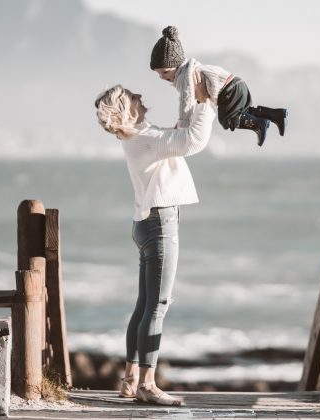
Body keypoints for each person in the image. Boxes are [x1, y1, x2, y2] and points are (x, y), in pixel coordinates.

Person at [94, 81, 215, 406]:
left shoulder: (139, 138)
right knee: (157, 305)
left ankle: (131, 377)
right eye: (133, 96)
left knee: (144, 304)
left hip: (144, 223)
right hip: (160, 224)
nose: (140, 96)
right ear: (127, 108)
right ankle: (148, 383)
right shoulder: (147, 140)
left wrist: (188, 103)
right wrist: (206, 103)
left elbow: (173, 137)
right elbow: (192, 141)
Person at [150, 25, 288, 147]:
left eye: (165, 72)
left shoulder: (184, 78)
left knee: (228, 120)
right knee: (244, 113)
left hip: (228, 91)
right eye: (159, 74)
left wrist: (182, 129)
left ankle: (259, 124)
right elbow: (194, 101)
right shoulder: (191, 67)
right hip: (236, 83)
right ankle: (276, 114)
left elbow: (186, 103)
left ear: (178, 65)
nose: (163, 77)